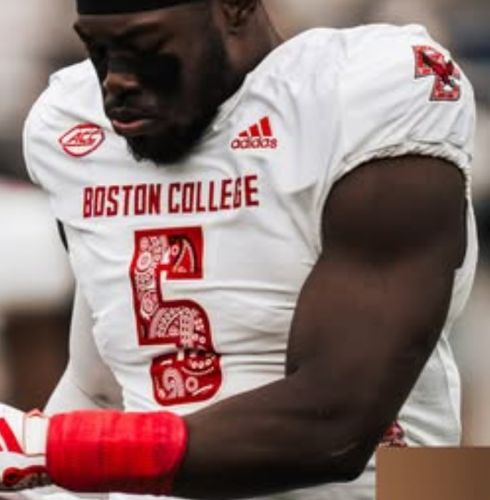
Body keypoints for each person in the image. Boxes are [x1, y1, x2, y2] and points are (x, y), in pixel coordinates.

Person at [0, 0, 477, 499]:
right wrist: (30, 470)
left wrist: (45, 449)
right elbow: (99, 388)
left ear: (234, 7)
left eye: (146, 47)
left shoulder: (365, 91)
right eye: (98, 50)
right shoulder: (70, 125)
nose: (115, 81)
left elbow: (336, 428)